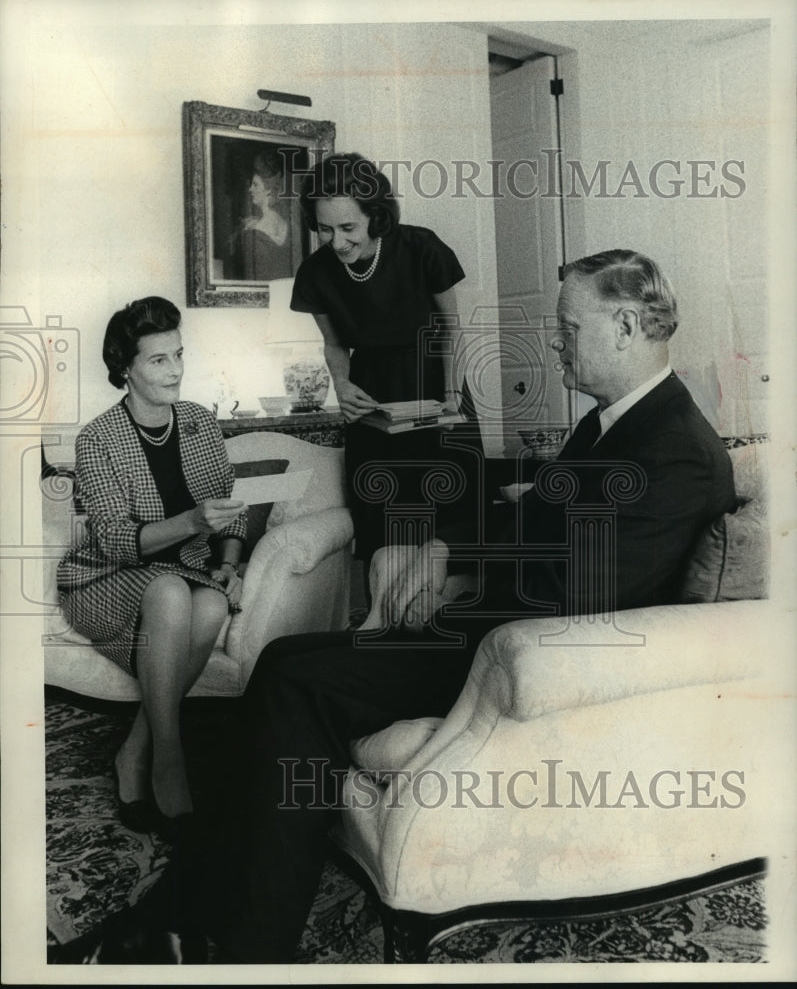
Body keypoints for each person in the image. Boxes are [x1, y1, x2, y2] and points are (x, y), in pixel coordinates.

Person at [52, 250, 736, 963]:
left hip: (521, 658)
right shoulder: (613, 424)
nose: (555, 342)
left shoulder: (674, 448)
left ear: (626, 327)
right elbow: (536, 528)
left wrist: (461, 578)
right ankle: (184, 915)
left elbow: (582, 593)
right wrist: (447, 550)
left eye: (567, 327)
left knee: (293, 682)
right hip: (490, 630)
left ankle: (234, 943)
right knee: (285, 661)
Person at [55, 296, 246, 833]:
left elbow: (230, 512)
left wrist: (229, 562)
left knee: (209, 603)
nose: (176, 369)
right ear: (126, 369)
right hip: (103, 577)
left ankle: (136, 750)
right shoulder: (98, 439)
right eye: (159, 360)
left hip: (184, 575)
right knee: (169, 591)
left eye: (178, 355)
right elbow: (114, 541)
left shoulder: (200, 423)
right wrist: (191, 522)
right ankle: (170, 759)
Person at [290, 152, 473, 572]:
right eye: (324, 229)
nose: (337, 242)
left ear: (375, 215)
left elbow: (453, 328)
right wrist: (341, 384)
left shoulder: (421, 246)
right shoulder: (315, 273)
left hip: (436, 383)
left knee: (445, 523)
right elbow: (335, 345)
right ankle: (381, 623)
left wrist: (451, 394)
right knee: (385, 528)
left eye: (348, 227)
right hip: (371, 398)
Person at [226, 151, 292, 281]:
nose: (250, 189)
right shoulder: (281, 221)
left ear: (268, 188)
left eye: (255, 184)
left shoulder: (258, 228)